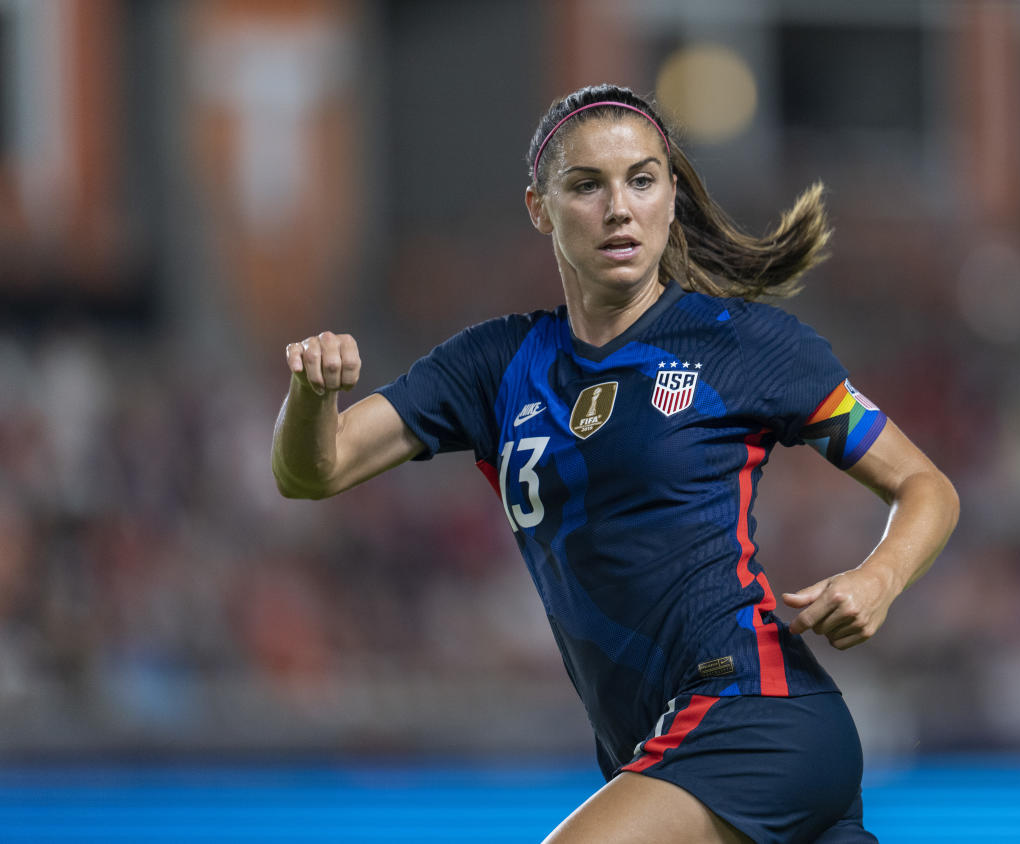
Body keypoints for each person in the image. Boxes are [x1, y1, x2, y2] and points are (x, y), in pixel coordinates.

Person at [272, 84, 958, 843]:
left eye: (641, 179)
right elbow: (313, 470)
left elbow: (925, 484)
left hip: (754, 714)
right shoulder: (494, 366)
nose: (619, 207)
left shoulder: (744, 345)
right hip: (658, 747)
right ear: (539, 207)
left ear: (670, 194)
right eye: (586, 185)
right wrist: (309, 394)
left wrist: (878, 577)